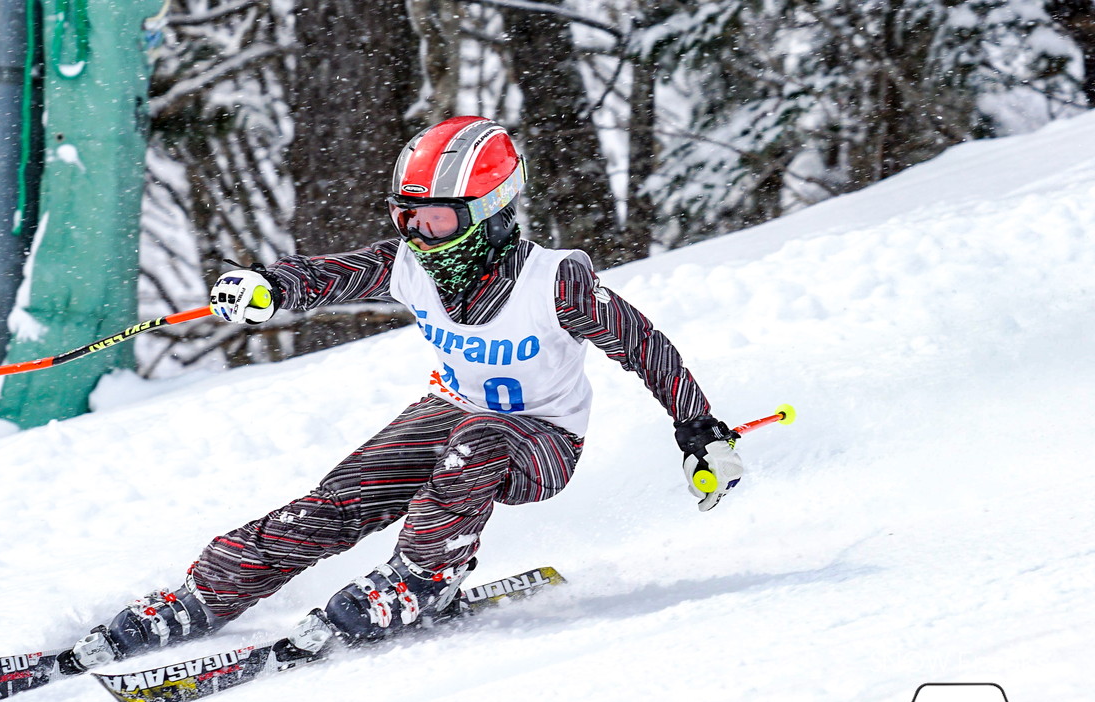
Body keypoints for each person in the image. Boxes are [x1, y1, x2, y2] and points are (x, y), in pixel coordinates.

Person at [57, 116, 744, 673]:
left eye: (436, 220)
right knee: (332, 507)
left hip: (541, 440)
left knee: (478, 445)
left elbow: (642, 344)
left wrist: (698, 429)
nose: (417, 234)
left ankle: (419, 578)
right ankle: (203, 594)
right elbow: (331, 275)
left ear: (491, 212)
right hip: (451, 411)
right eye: (404, 216)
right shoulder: (408, 264)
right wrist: (270, 288)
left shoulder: (553, 282)